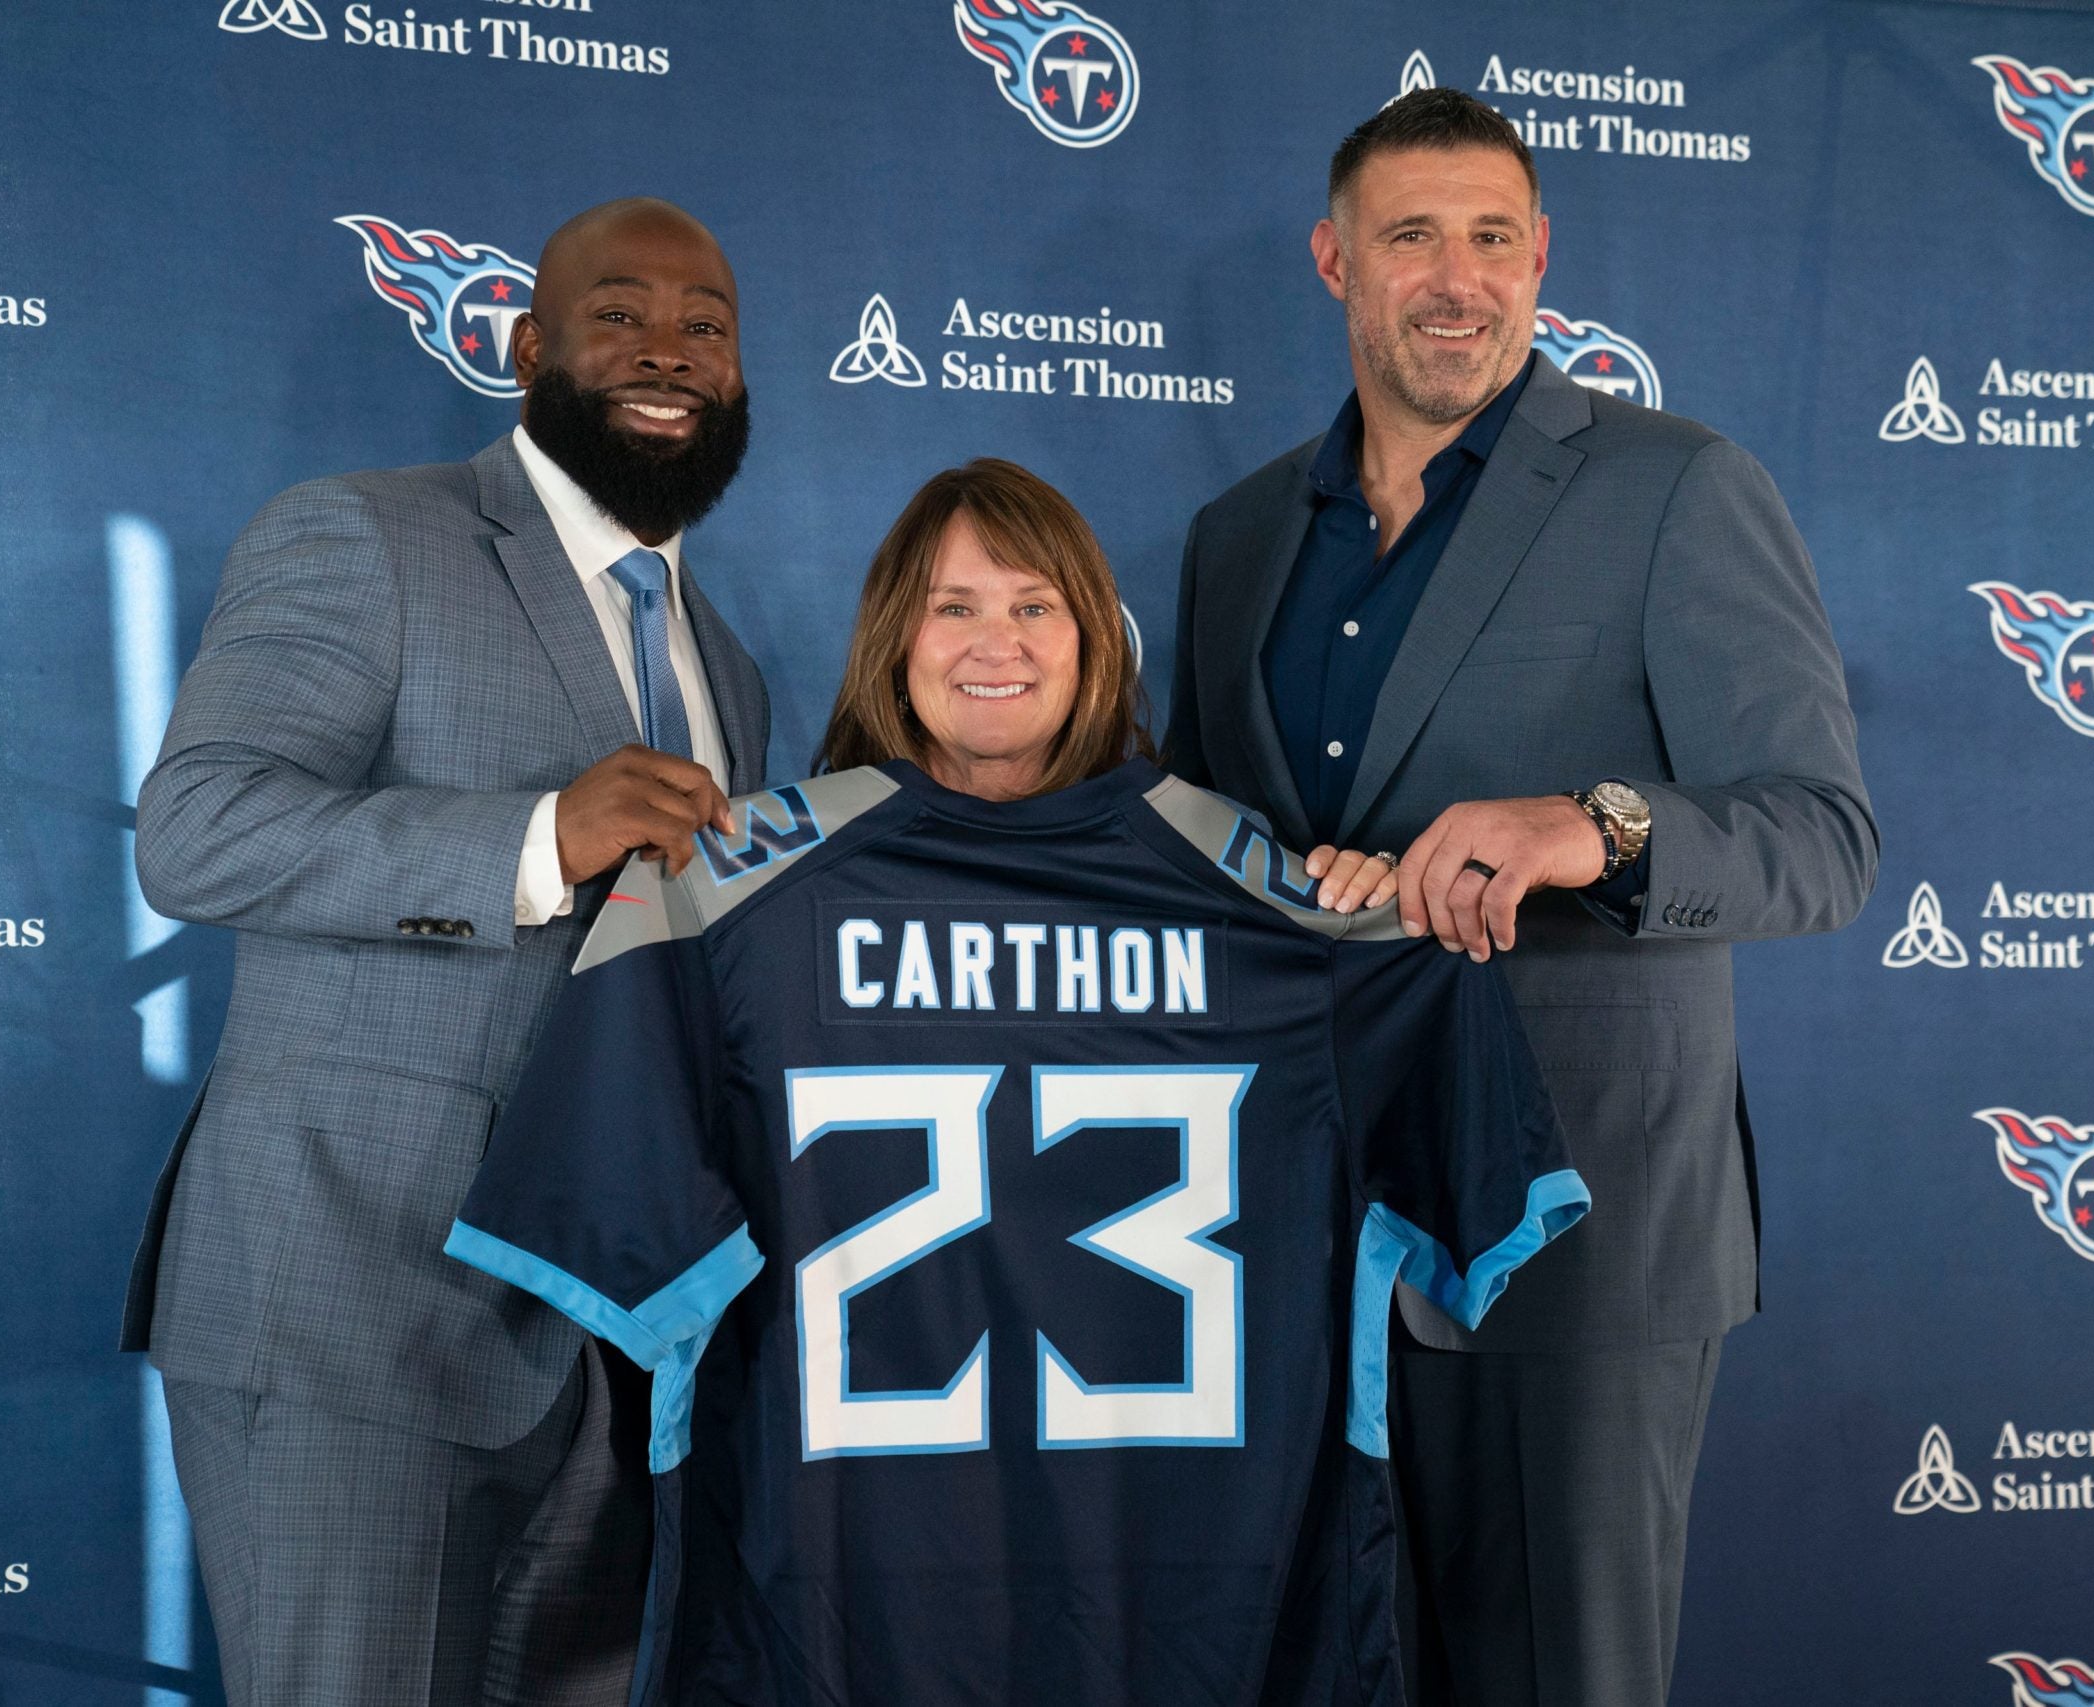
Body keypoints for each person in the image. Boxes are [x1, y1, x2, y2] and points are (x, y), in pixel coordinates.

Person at [443, 457, 1587, 1706]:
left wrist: (1391, 914)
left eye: (1036, 605)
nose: (999, 641)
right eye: (955, 606)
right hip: (860, 1615)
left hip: (1151, 1614)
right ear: (895, 638)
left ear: (1095, 638)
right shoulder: (717, 902)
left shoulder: (1297, 921)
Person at [1163, 90, 1877, 1707]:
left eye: (1493, 237)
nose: (1457, 278)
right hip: (1297, 1247)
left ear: (1542, 256)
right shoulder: (1236, 538)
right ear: (1336, 260)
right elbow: (1208, 850)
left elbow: (1824, 837)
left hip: (1579, 1249)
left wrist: (1593, 827)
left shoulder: (1679, 486)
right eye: (1413, 235)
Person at [120, 197, 769, 1707]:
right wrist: (536, 836)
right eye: (620, 314)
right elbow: (197, 830)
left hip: (605, 1344)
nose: (668, 350)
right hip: (346, 1310)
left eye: (706, 326)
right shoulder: (367, 533)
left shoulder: (722, 658)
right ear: (530, 346)